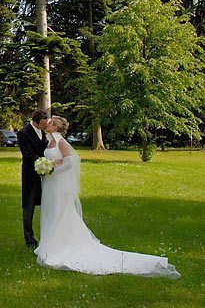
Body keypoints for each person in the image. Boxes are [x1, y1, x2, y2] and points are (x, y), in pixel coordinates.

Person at [34, 115, 180, 278]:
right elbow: (55, 160)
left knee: (60, 214)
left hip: (59, 185)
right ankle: (49, 244)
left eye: (50, 123)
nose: (47, 124)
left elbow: (71, 162)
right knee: (50, 212)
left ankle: (59, 246)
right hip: (50, 185)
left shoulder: (61, 142)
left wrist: (53, 168)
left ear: (55, 127)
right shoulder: (50, 141)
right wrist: (46, 167)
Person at [16, 110, 50, 249]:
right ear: (35, 122)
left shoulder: (44, 133)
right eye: (42, 124)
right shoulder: (23, 133)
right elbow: (28, 153)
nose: (45, 127)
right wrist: (42, 163)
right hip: (30, 174)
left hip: (46, 174)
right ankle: (29, 237)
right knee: (29, 205)